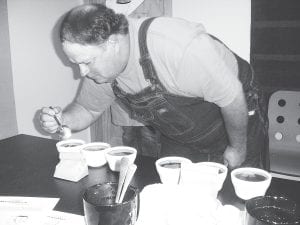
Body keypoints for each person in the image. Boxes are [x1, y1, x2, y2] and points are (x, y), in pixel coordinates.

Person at [39, 3, 268, 169]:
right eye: (76, 63)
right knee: (173, 195)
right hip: (181, 132)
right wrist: (63, 119)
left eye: (87, 62)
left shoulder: (178, 48)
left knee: (241, 196)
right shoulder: (102, 72)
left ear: (113, 43)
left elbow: (232, 97)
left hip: (237, 111)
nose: (82, 73)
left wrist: (237, 148)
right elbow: (87, 109)